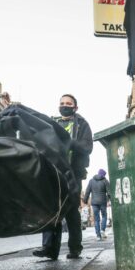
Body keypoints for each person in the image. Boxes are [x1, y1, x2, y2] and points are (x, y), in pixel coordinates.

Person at [33, 94, 93, 259]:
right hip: (53, 172)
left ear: (75, 107)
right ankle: (49, 249)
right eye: (62, 103)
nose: (64, 106)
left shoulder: (82, 124)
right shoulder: (52, 123)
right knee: (51, 208)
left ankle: (75, 248)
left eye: (68, 103)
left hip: (73, 173)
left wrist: (70, 143)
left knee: (71, 210)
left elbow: (88, 147)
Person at [83, 169, 111, 240]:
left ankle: (98, 236)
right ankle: (102, 230)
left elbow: (87, 192)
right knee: (104, 216)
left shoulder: (91, 181)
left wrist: (85, 200)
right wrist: (108, 200)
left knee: (96, 219)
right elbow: (109, 193)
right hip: (103, 202)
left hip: (94, 202)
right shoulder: (105, 181)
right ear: (103, 175)